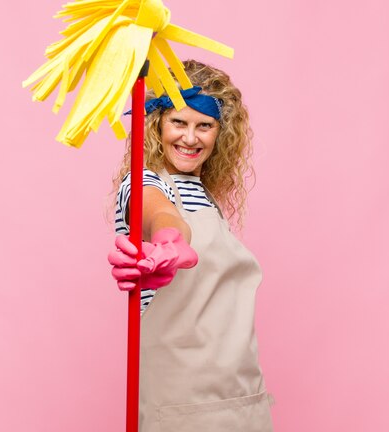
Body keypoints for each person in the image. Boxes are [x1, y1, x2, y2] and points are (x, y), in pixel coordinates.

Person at [108, 60, 274, 432]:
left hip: (238, 388)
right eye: (178, 122)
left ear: (220, 134)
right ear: (157, 123)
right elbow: (158, 212)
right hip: (180, 397)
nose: (190, 137)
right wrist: (168, 242)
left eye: (205, 125)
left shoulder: (206, 199)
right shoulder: (146, 180)